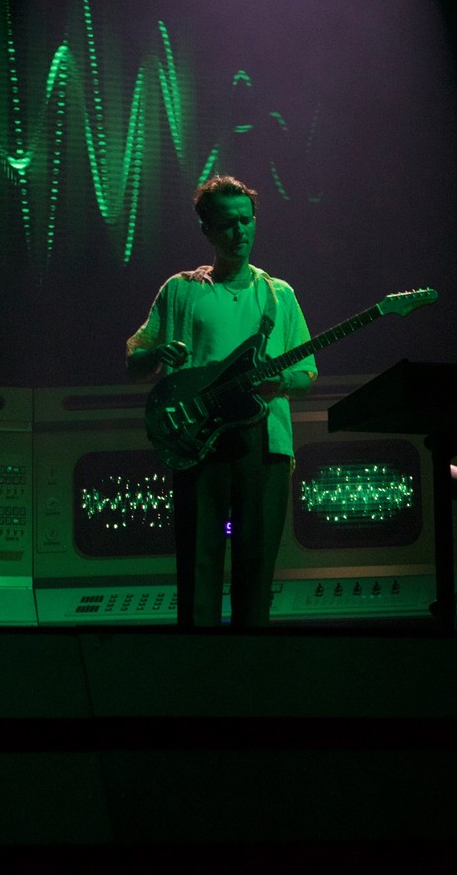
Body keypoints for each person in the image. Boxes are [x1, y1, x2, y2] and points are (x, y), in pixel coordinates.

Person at [126, 174, 317, 629]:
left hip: (265, 446)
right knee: (199, 566)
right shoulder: (181, 290)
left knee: (257, 571)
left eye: (246, 221)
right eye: (228, 224)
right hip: (199, 443)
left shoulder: (279, 294)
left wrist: (279, 381)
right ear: (207, 230)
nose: (239, 232)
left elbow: (308, 374)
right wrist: (153, 354)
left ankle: (250, 675)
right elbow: (135, 357)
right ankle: (199, 673)